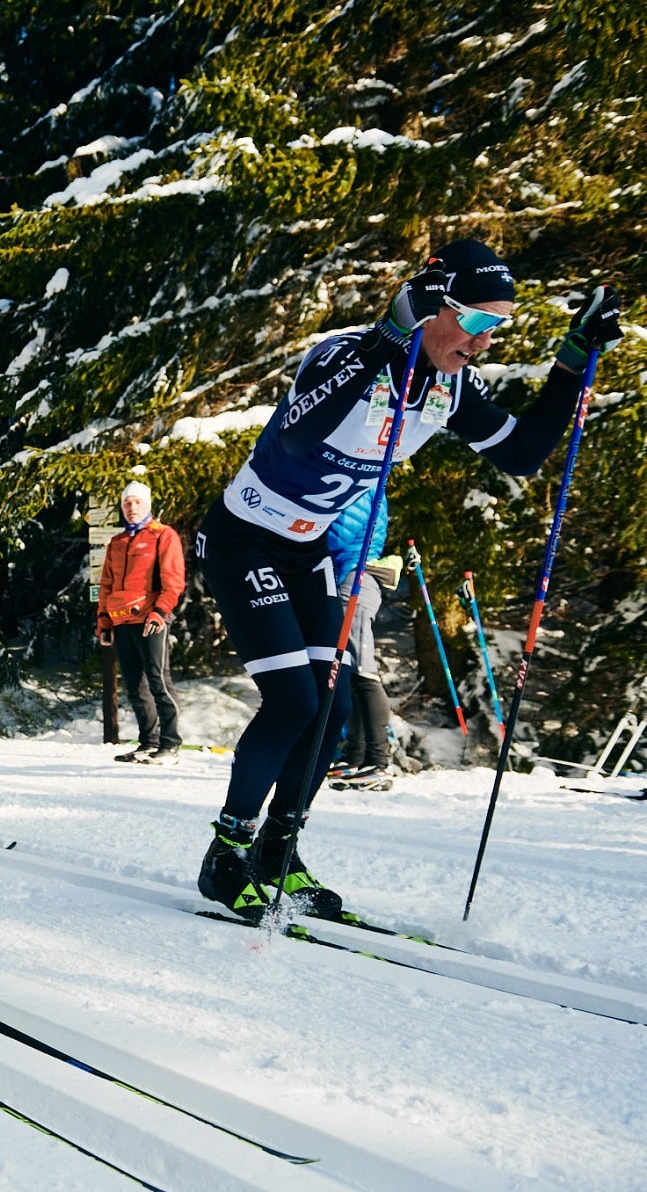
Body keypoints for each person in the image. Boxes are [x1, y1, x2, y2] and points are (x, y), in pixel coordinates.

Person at [195, 239, 622, 922]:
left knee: (332, 708)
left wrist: (574, 358)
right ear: (433, 306)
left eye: (498, 327)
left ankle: (278, 849)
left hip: (305, 554)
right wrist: (387, 334)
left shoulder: (448, 386)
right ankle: (225, 855)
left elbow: (519, 451)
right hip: (245, 542)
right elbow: (300, 439)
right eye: (478, 322)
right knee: (292, 700)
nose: (483, 342)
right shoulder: (345, 354)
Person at [97, 480, 186, 764]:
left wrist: (160, 612)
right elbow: (106, 583)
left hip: (151, 618)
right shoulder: (117, 542)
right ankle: (149, 742)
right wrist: (103, 620)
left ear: (147, 505)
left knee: (159, 681)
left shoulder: (163, 535)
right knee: (135, 686)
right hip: (122, 620)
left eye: (137, 502)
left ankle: (170, 744)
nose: (131, 508)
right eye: (127, 503)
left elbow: (173, 580)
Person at [325, 491, 401, 791]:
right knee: (347, 671)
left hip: (355, 576)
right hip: (344, 574)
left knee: (361, 669)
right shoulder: (357, 480)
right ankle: (354, 756)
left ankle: (379, 762)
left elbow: (338, 533)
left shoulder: (363, 483)